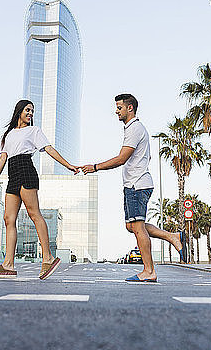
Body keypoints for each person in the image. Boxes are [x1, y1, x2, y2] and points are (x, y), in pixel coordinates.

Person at [82, 94, 186, 282]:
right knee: (131, 226)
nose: (116, 111)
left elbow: (121, 159)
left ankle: (149, 271)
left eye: (119, 107)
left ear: (130, 108)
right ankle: (172, 236)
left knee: (138, 228)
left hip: (137, 185)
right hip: (135, 184)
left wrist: (95, 167)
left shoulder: (135, 129)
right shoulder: (134, 129)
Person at [0, 100, 78, 279]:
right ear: (19, 111)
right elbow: (3, 158)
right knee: (8, 218)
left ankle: (48, 258)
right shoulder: (8, 134)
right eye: (27, 110)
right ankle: (8, 264)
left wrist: (68, 165)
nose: (30, 113)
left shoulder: (34, 131)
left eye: (32, 111)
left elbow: (49, 149)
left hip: (26, 168)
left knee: (33, 213)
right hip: (12, 172)